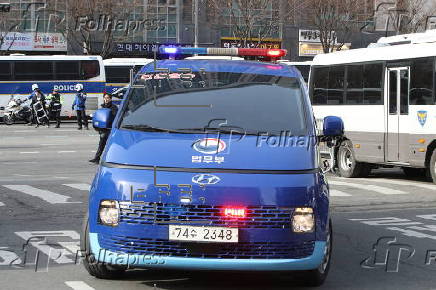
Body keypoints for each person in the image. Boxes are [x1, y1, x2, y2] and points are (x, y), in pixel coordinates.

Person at [89, 93, 118, 164]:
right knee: (101, 144)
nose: (106, 99)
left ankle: (111, 160)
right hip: (103, 129)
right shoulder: (102, 106)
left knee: (111, 145)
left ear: (110, 99)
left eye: (108, 98)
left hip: (110, 129)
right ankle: (96, 159)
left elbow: (115, 117)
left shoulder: (114, 107)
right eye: (105, 98)